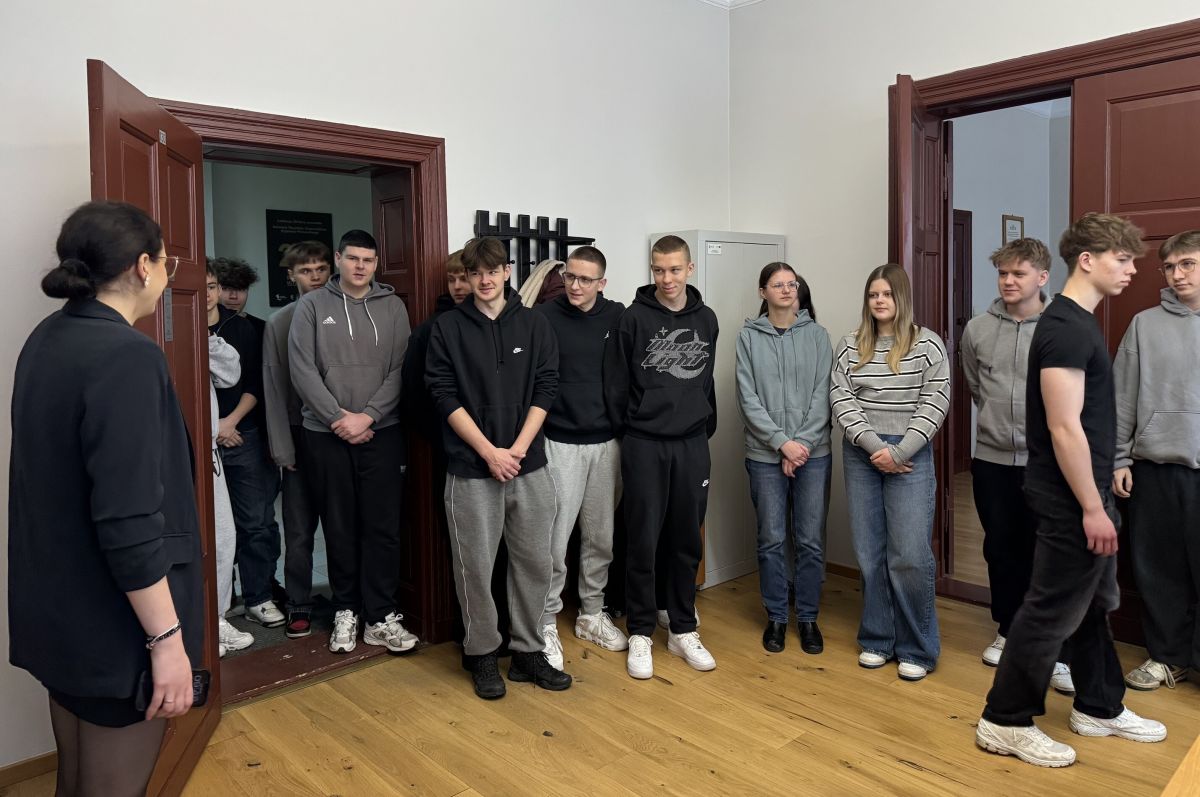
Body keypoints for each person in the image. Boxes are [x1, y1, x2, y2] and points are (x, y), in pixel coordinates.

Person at [9, 201, 202, 795]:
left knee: (74, 782)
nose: (167, 274)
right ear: (144, 266)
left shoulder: (48, 337)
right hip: (116, 622)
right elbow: (129, 518)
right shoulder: (127, 355)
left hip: (60, 610)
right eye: (166, 262)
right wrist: (166, 643)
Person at [977, 213, 1166, 768]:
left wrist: (1098, 498)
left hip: (1087, 494)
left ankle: (1100, 705)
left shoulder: (1075, 322)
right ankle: (1004, 720)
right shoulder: (1064, 328)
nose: (1132, 269)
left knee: (1090, 606)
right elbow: (1064, 428)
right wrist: (1090, 506)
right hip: (1069, 501)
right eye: (1121, 259)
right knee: (1049, 611)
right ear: (1087, 260)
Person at [427, 236, 568, 700]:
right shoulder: (447, 328)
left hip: (529, 465)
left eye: (492, 271)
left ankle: (528, 651)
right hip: (471, 468)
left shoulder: (535, 324)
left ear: (507, 272)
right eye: (475, 273)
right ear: (467, 277)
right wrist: (490, 452)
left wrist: (517, 450)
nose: (484, 280)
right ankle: (483, 653)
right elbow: (443, 394)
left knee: (536, 563)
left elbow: (546, 387)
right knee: (474, 567)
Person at [289, 229, 417, 654]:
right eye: (353, 258)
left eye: (368, 260)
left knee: (383, 528)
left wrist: (368, 416)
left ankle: (380, 616)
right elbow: (302, 369)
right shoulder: (311, 306)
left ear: (376, 264)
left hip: (382, 432)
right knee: (339, 526)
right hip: (325, 435)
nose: (360, 266)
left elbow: (401, 368)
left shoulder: (393, 307)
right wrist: (337, 418)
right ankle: (346, 610)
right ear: (339, 259)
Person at [960, 238, 1075, 695]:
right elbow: (976, 386)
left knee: (1045, 554)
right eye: (1003, 273)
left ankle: (1054, 647)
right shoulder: (977, 329)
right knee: (1000, 548)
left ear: (1042, 277)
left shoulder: (1061, 329)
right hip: (991, 460)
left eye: (1018, 274)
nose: (1008, 281)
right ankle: (1008, 629)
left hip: (1044, 463)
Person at [605, 234, 719, 680]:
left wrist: (701, 426)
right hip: (644, 442)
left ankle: (682, 627)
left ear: (690, 268)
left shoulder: (706, 319)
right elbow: (616, 384)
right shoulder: (633, 318)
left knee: (687, 537)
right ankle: (640, 630)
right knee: (643, 538)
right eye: (658, 270)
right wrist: (634, 429)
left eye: (674, 269)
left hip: (692, 443)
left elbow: (706, 381)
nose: (666, 278)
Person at [831, 264, 949, 682]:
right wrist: (875, 448)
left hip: (910, 453)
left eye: (887, 294)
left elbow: (935, 401)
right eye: (873, 295)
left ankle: (917, 647)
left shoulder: (928, 344)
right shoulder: (850, 344)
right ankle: (878, 639)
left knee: (910, 555)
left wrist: (899, 451)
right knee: (869, 553)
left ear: (902, 298)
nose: (879, 301)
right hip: (862, 452)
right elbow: (840, 398)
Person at [1114, 229, 1200, 692]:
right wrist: (1117, 458)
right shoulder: (1144, 325)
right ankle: (1167, 658)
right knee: (1159, 570)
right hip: (1154, 467)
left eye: (1188, 264)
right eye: (1169, 266)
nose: (1176, 274)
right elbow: (1122, 397)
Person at [535, 245, 628, 667]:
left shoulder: (618, 316)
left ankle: (591, 613)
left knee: (600, 537)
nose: (575, 285)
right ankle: (545, 621)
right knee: (554, 541)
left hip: (607, 443)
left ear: (601, 283)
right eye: (570, 276)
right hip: (560, 442)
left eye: (585, 279)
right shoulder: (544, 317)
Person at [736, 263, 832, 655]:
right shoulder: (748, 337)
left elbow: (824, 395)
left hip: (813, 454)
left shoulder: (818, 336)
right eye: (778, 285)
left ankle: (807, 617)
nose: (787, 289)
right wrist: (781, 445)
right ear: (763, 292)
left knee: (810, 540)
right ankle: (776, 616)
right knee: (771, 539)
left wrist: (800, 445)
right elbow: (747, 398)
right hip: (765, 455)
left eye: (792, 283)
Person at [209, 258, 284, 629]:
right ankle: (221, 602)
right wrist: (212, 427)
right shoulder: (181, 325)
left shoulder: (247, 328)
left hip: (244, 433)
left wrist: (229, 422)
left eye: (238, 288)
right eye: (222, 287)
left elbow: (256, 384)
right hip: (203, 439)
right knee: (211, 526)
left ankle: (259, 596)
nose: (230, 295)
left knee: (255, 521)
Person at [262, 241, 332, 638]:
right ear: (291, 276)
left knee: (342, 526)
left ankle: (347, 601)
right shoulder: (280, 321)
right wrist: (282, 447)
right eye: (306, 271)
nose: (315, 277)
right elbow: (273, 388)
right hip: (298, 434)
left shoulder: (345, 314)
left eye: (321, 269)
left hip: (338, 434)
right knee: (300, 529)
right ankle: (299, 604)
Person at [206, 276, 253, 658]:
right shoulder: (155, 329)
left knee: (224, 537)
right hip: (174, 452)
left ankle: (217, 619)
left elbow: (232, 373)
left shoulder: (208, 336)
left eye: (210, 286)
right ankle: (196, 626)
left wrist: (204, 336)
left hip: (211, 453)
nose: (207, 294)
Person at [218, 256, 266, 339]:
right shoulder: (202, 327)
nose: (233, 296)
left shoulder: (263, 328)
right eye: (226, 288)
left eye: (240, 289)